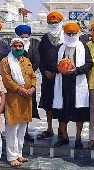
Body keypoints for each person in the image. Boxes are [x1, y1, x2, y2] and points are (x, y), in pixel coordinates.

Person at [52, 22, 93, 149]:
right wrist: (60, 68)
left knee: (79, 111)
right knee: (62, 110)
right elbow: (52, 63)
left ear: (77, 34)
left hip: (77, 82)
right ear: (64, 34)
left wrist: (75, 70)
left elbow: (89, 64)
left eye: (73, 33)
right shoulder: (60, 47)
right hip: (62, 83)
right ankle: (64, 137)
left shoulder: (83, 47)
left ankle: (78, 138)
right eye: (68, 33)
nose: (71, 35)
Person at [0, 38, 36, 167]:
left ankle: (19, 154)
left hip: (26, 98)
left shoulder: (26, 60)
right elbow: (7, 80)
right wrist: (21, 90)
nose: (18, 48)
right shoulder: (5, 62)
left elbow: (33, 76)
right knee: (12, 128)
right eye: (16, 46)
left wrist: (32, 88)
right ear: (11, 47)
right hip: (13, 97)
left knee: (22, 128)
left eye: (20, 46)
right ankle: (11, 156)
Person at [37, 11, 64, 140]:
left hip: (62, 76)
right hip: (47, 76)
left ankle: (61, 129)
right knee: (48, 103)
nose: (53, 24)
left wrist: (59, 71)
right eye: (51, 22)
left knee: (60, 102)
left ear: (60, 23)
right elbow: (40, 58)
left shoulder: (65, 38)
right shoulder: (44, 39)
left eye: (56, 22)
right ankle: (49, 128)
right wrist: (45, 71)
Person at [14, 24, 40, 142]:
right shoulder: (14, 49)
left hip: (29, 83)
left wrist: (26, 73)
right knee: (15, 107)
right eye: (22, 36)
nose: (24, 38)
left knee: (27, 108)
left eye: (26, 36)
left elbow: (36, 62)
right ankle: (14, 132)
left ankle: (25, 132)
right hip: (15, 83)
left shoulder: (33, 49)